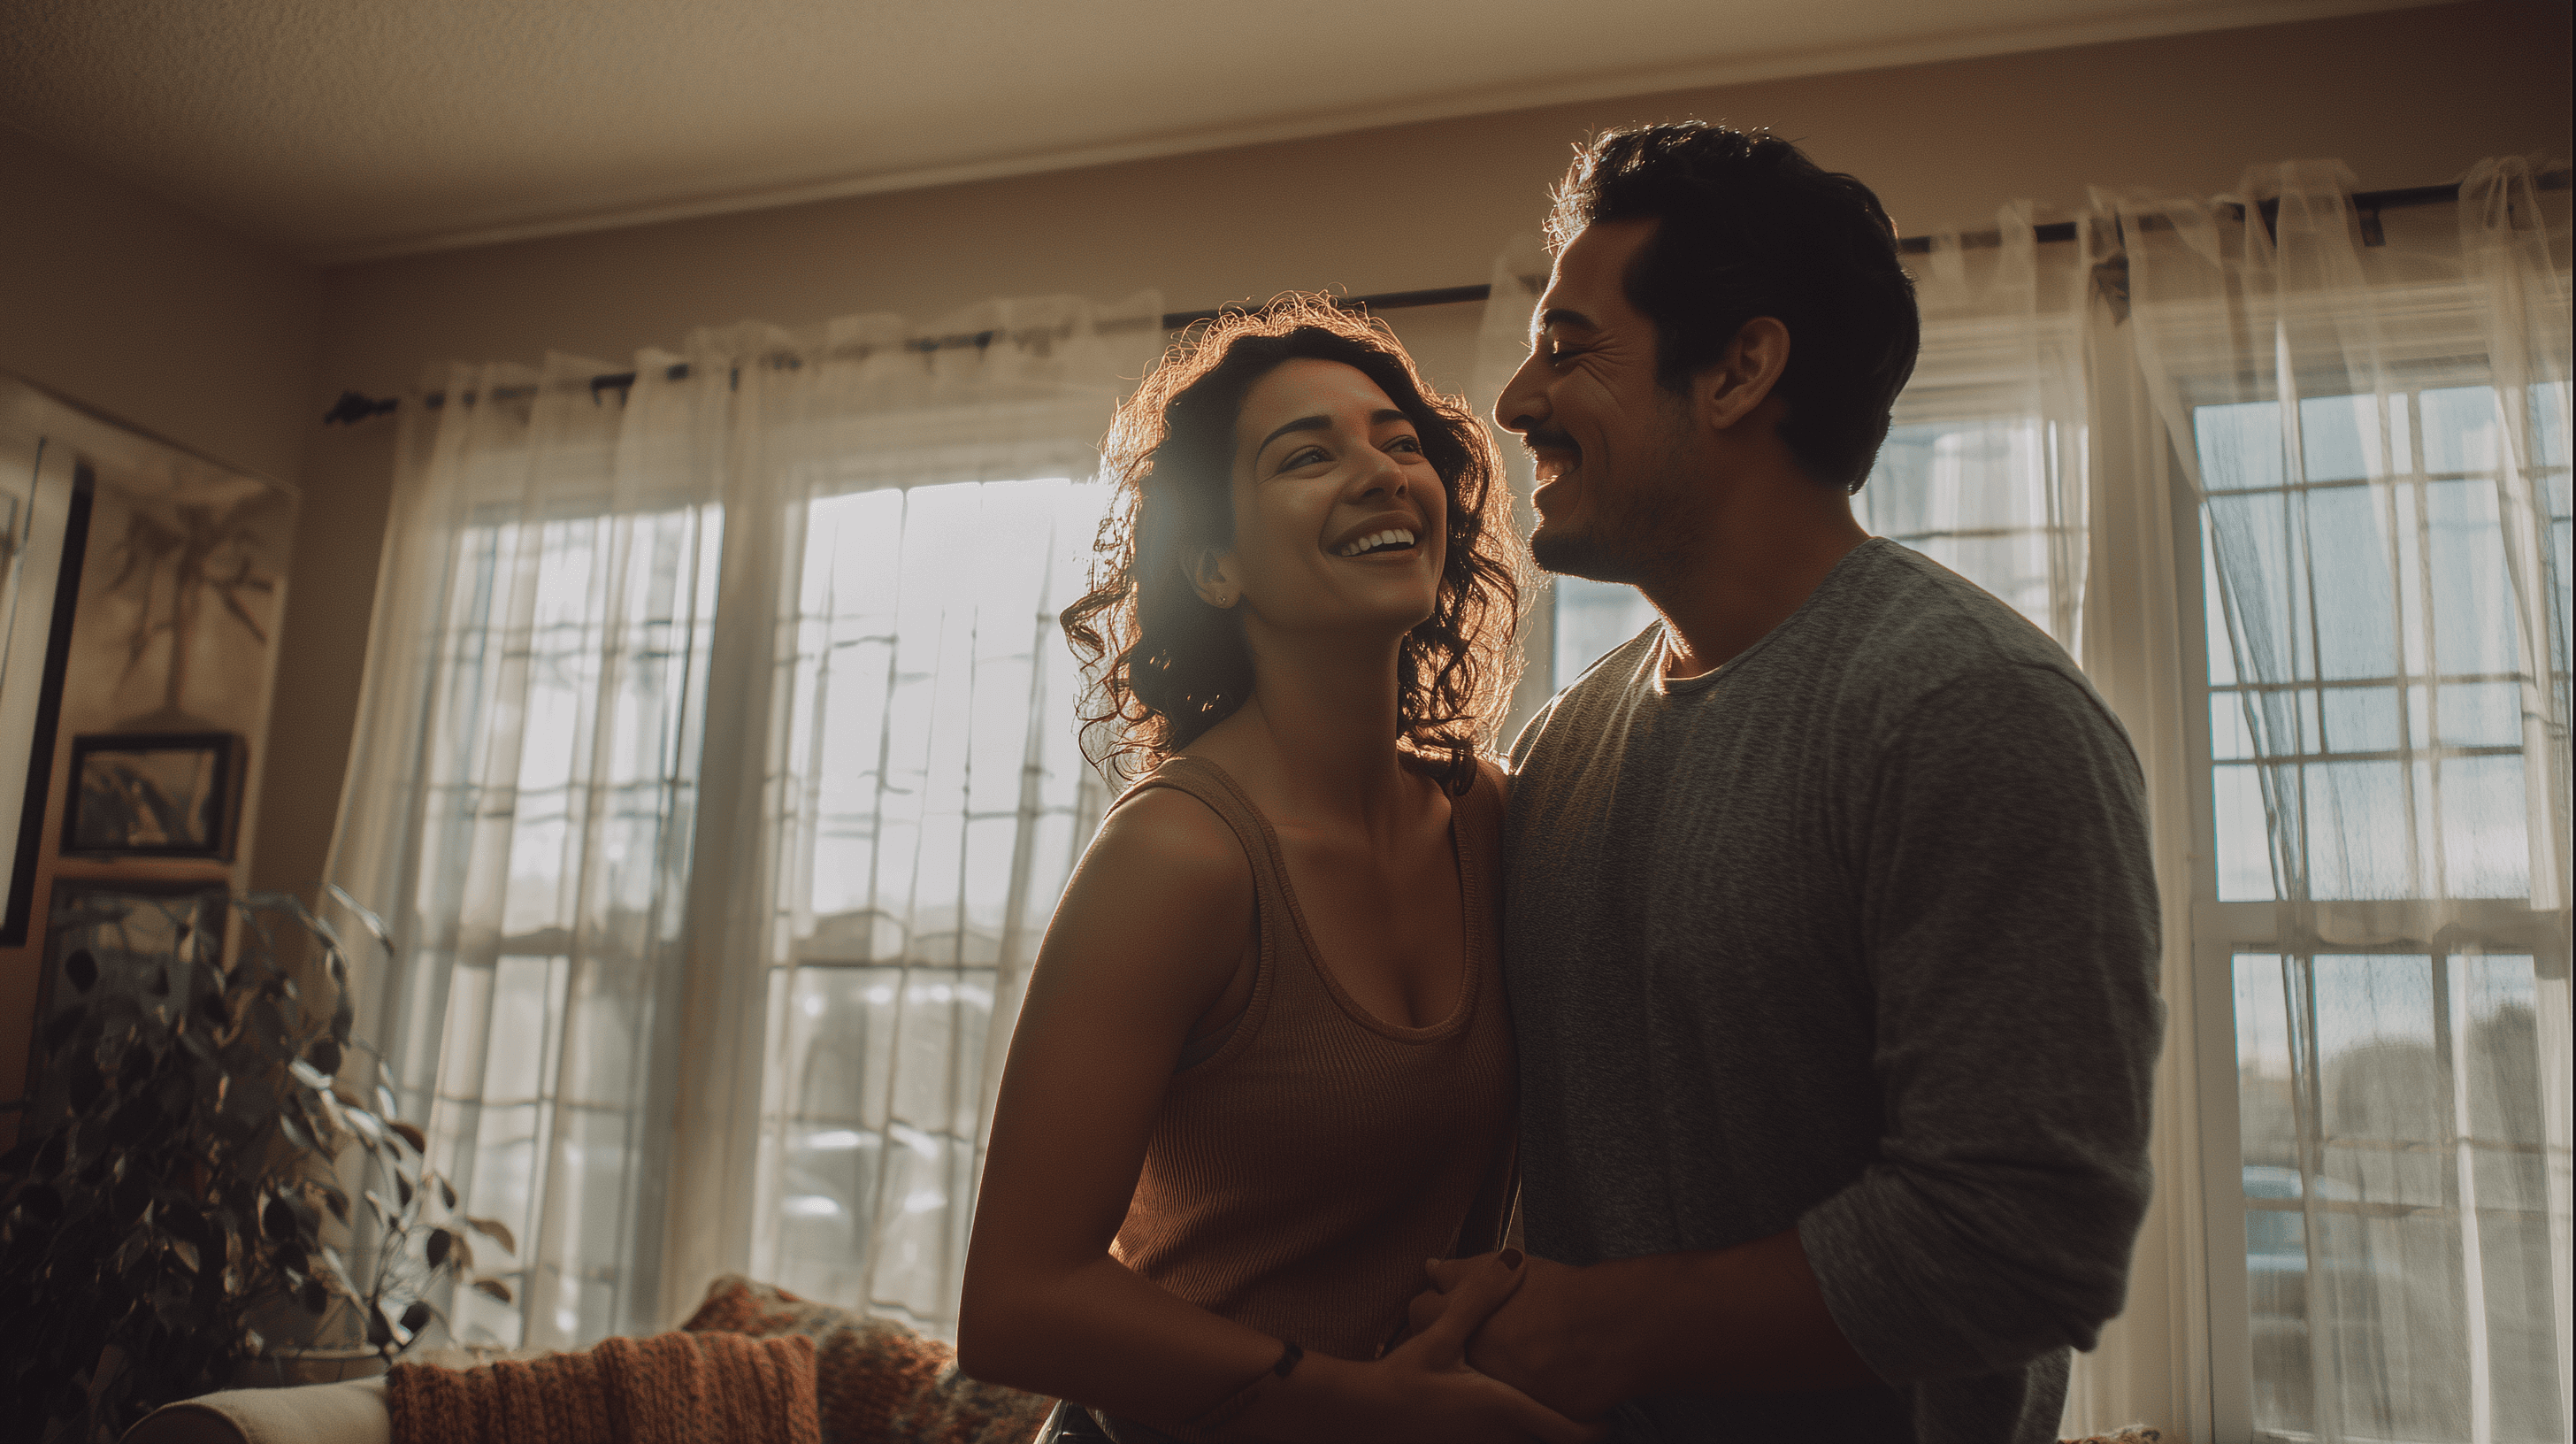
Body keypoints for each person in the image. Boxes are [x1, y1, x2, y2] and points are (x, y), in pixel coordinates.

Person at [1408, 122, 2164, 1442]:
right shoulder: (1560, 750)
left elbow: (2021, 1239)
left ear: (1740, 370)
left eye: (1569, 344)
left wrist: (1590, 1327)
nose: (1516, 401)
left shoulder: (1972, 712)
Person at [958, 297, 1594, 1444]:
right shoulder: (1177, 859)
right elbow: (1013, 1307)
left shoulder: (1490, 816)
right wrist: (1375, 1408)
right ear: (1213, 566)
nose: (1382, 473)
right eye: (1308, 455)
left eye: (1402, 445)